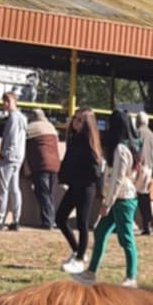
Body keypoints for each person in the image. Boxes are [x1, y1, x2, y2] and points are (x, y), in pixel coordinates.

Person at [71, 108, 140, 287]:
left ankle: (131, 277)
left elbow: (118, 179)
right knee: (101, 232)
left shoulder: (121, 150)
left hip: (123, 200)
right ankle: (90, 273)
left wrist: (107, 203)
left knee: (126, 238)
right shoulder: (119, 149)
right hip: (116, 199)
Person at [56, 106, 104, 274]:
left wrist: (97, 187)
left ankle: (79, 259)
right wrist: (63, 178)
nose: (74, 122)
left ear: (87, 124)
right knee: (60, 218)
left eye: (79, 120)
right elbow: (68, 160)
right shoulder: (74, 138)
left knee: (82, 223)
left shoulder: (89, 142)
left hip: (86, 187)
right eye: (74, 118)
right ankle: (78, 251)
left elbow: (96, 167)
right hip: (74, 185)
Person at [0, 91, 25, 231]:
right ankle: (16, 220)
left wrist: (4, 154)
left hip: (9, 157)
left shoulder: (13, 117)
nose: (4, 105)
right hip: (18, 157)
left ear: (10, 102)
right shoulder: (22, 117)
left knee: (3, 189)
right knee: (14, 189)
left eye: (5, 102)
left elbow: (11, 139)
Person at [23, 108, 60, 230]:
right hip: (55, 164)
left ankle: (47, 221)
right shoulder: (52, 128)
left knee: (43, 193)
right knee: (50, 194)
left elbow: (25, 148)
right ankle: (52, 219)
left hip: (41, 164)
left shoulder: (31, 128)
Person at [132, 110, 153, 236]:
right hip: (149, 168)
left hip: (139, 168)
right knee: (145, 198)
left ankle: (123, 223)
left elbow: (134, 150)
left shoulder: (138, 133)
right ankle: (147, 224)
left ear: (138, 121)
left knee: (130, 196)